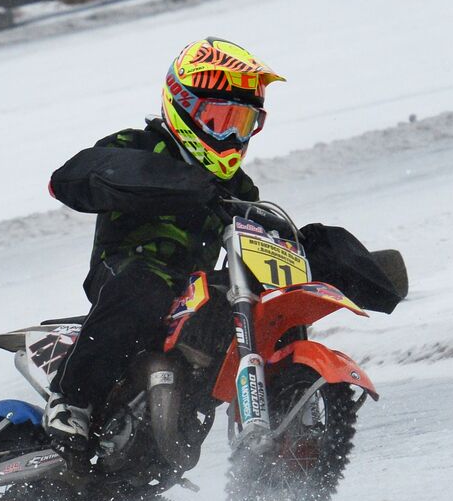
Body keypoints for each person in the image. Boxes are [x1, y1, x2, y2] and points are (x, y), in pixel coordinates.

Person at [45, 37, 282, 446]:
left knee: (254, 302)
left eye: (240, 124)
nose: (229, 134)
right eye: (219, 120)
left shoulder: (236, 185)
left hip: (196, 289)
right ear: (184, 106)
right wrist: (176, 184)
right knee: (144, 288)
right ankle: (71, 400)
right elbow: (72, 178)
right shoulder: (136, 147)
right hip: (126, 271)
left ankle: (268, 418)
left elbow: (254, 241)